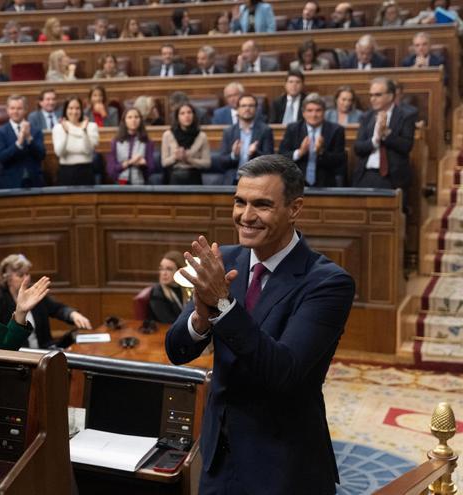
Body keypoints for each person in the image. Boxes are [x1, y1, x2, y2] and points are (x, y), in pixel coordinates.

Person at [165, 154, 355, 495]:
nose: (246, 216)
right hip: (218, 459)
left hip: (283, 465)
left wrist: (223, 303)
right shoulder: (225, 261)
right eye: (240, 202)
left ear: (295, 208)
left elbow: (283, 371)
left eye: (262, 205)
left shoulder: (327, 282)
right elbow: (176, 349)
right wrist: (200, 317)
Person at [0, 254, 92, 349]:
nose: (26, 278)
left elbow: (58, 309)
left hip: (44, 352)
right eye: (21, 275)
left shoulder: (35, 293)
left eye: (27, 274)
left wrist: (72, 314)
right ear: (7, 278)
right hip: (18, 357)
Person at [352, 77, 415, 193]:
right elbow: (358, 148)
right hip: (366, 173)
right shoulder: (366, 117)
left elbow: (406, 146)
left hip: (392, 175)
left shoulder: (405, 116)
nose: (372, 99)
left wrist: (386, 133)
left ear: (391, 96)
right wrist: (375, 140)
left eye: (377, 95)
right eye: (371, 95)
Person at [279, 93, 347, 187]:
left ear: (324, 112)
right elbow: (281, 156)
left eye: (318, 110)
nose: (314, 115)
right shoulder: (293, 129)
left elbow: (340, 160)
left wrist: (322, 152)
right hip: (296, 182)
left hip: (326, 183)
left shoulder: (336, 130)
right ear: (303, 113)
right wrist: (300, 152)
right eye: (310, 111)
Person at [0, 275, 48, 350]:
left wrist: (20, 313)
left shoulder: (31, 296)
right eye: (21, 275)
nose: (27, 278)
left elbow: (4, 350)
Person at [217, 94, 275, 184]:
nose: (247, 109)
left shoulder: (265, 130)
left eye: (251, 106)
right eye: (243, 106)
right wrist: (233, 155)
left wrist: (255, 153)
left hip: (256, 179)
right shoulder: (229, 132)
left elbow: (270, 162)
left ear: (256, 109)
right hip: (233, 180)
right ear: (237, 109)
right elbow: (221, 162)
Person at [0, 94, 45, 188]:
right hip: (10, 183)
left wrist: (29, 138)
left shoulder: (36, 130)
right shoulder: (1, 132)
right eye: (12, 108)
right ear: (7, 110)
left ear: (25, 110)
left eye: (19, 108)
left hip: (34, 181)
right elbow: (1, 158)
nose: (15, 111)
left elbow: (41, 155)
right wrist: (18, 143)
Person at [53, 96, 99, 186]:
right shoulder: (58, 127)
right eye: (70, 108)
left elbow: (88, 151)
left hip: (86, 171)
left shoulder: (91, 126)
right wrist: (66, 133)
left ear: (82, 110)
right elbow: (59, 153)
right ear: (65, 110)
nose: (74, 112)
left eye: (77, 108)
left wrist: (84, 131)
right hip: (66, 172)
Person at [162, 103, 210, 185]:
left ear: (194, 115)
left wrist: (188, 159)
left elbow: (207, 163)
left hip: (194, 174)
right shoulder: (168, 135)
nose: (186, 116)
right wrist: (176, 157)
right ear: (177, 117)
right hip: (174, 173)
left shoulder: (202, 136)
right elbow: (164, 162)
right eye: (182, 113)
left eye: (189, 112)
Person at [106, 107, 157, 185]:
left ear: (140, 120)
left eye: (136, 117)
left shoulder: (148, 142)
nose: (133, 120)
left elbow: (151, 168)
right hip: (121, 182)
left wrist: (143, 164)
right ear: (124, 121)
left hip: (140, 182)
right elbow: (111, 170)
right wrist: (129, 163)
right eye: (129, 117)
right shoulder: (115, 141)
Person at [146, 251, 186, 323]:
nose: (164, 273)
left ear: (179, 271)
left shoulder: (184, 289)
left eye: (169, 269)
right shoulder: (157, 292)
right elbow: (168, 321)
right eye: (161, 269)